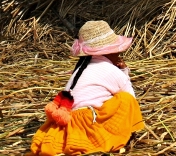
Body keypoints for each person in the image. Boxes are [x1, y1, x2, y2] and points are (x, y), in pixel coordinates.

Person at [27, 21, 144, 155]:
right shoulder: (110, 70)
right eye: (116, 50)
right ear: (107, 51)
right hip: (86, 125)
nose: (119, 54)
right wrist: (123, 71)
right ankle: (113, 138)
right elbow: (132, 99)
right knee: (125, 99)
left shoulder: (80, 69)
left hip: (68, 122)